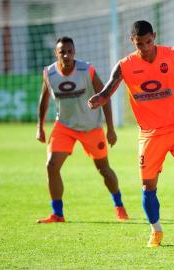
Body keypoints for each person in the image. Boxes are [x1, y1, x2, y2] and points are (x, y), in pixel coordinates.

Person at [88, 21, 174, 248]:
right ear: (132, 42)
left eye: (148, 41)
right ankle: (156, 230)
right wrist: (99, 98)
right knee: (148, 187)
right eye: (140, 43)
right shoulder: (125, 65)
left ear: (155, 36)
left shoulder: (173, 54)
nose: (145, 47)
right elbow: (107, 90)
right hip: (149, 135)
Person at [36, 36, 129, 223]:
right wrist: (40, 127)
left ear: (74, 52)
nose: (66, 55)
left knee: (103, 169)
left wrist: (110, 128)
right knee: (51, 166)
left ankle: (118, 204)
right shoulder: (49, 73)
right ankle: (57, 213)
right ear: (56, 53)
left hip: (91, 127)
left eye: (70, 51)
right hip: (64, 126)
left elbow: (105, 96)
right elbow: (44, 100)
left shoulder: (87, 70)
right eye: (62, 51)